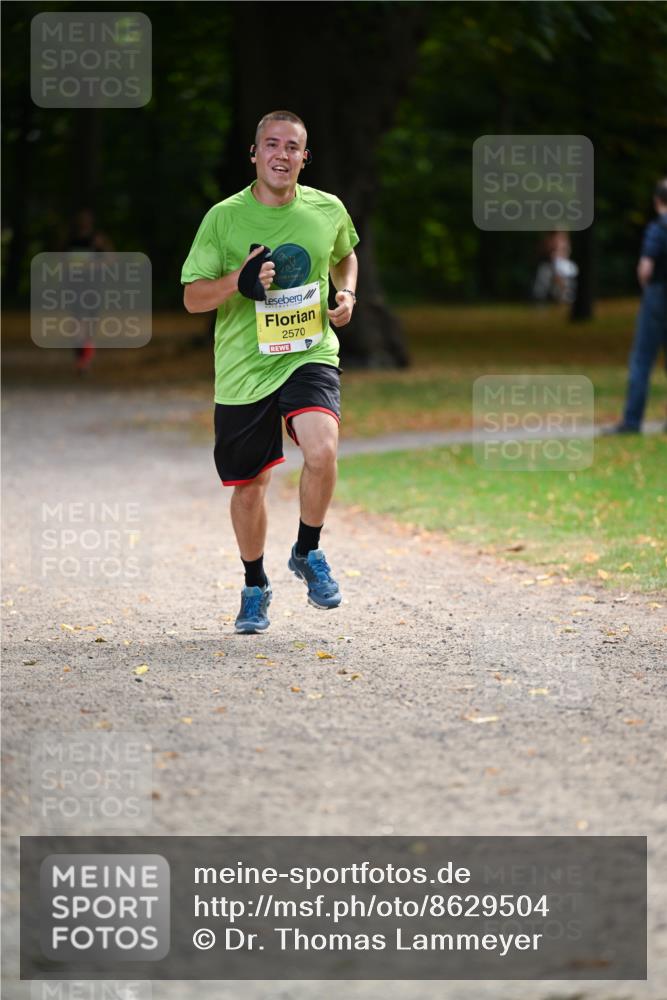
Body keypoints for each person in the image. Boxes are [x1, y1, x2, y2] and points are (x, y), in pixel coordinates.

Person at [181, 110, 359, 634]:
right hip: (243, 368)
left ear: (306, 158)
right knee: (250, 485)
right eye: (272, 145)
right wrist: (238, 281)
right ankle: (255, 585)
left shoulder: (326, 208)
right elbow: (192, 298)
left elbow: (346, 256)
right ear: (254, 154)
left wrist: (346, 292)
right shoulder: (224, 218)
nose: (282, 155)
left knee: (322, 450)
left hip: (309, 352)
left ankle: (307, 551)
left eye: (293, 147)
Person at [607, 179, 667, 434]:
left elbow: (646, 268)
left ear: (657, 201)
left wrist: (646, 284)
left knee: (642, 359)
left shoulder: (658, 228)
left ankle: (632, 421)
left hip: (657, 295)